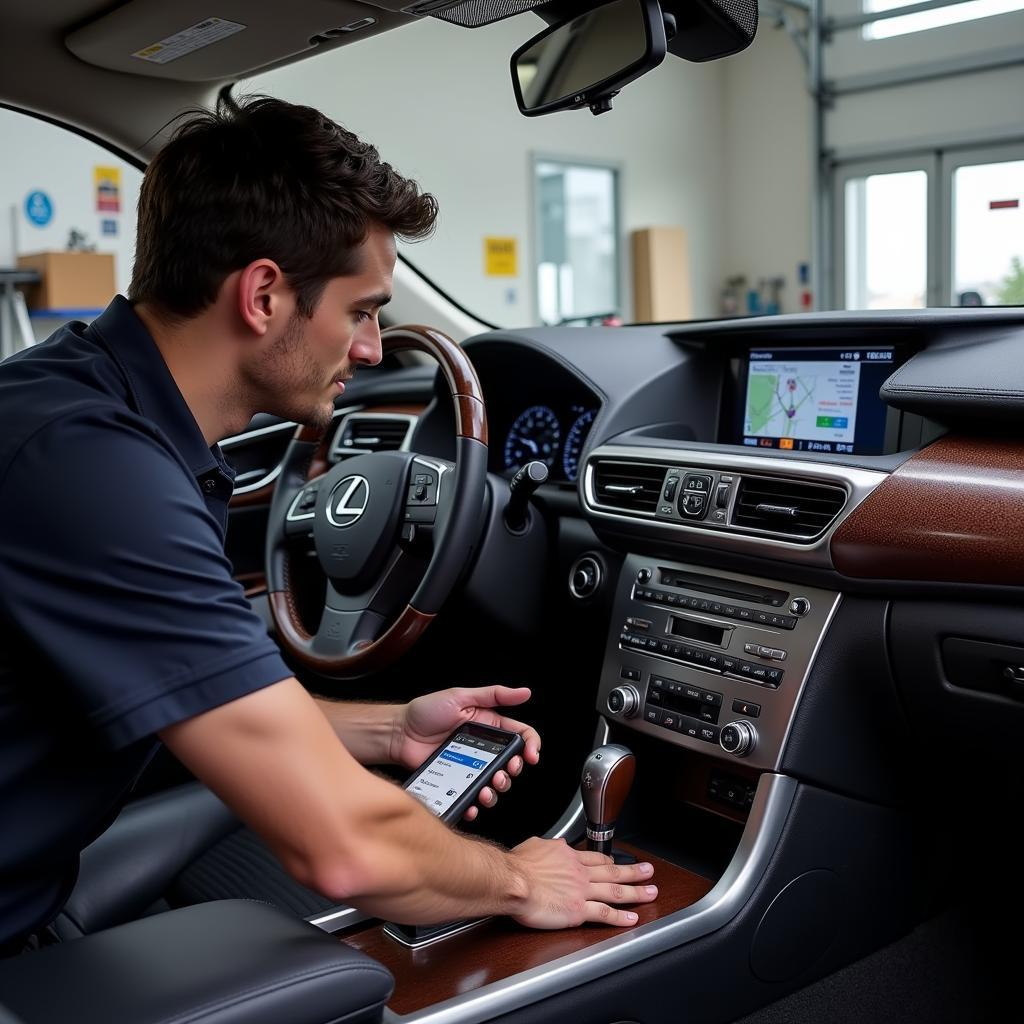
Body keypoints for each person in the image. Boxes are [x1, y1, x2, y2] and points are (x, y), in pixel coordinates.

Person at [0, 94, 656, 954]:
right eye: (362, 310)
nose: (376, 347)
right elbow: (345, 851)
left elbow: (196, 690)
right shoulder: (99, 473)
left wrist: (389, 728)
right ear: (265, 295)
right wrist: (520, 877)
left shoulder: (78, 403)